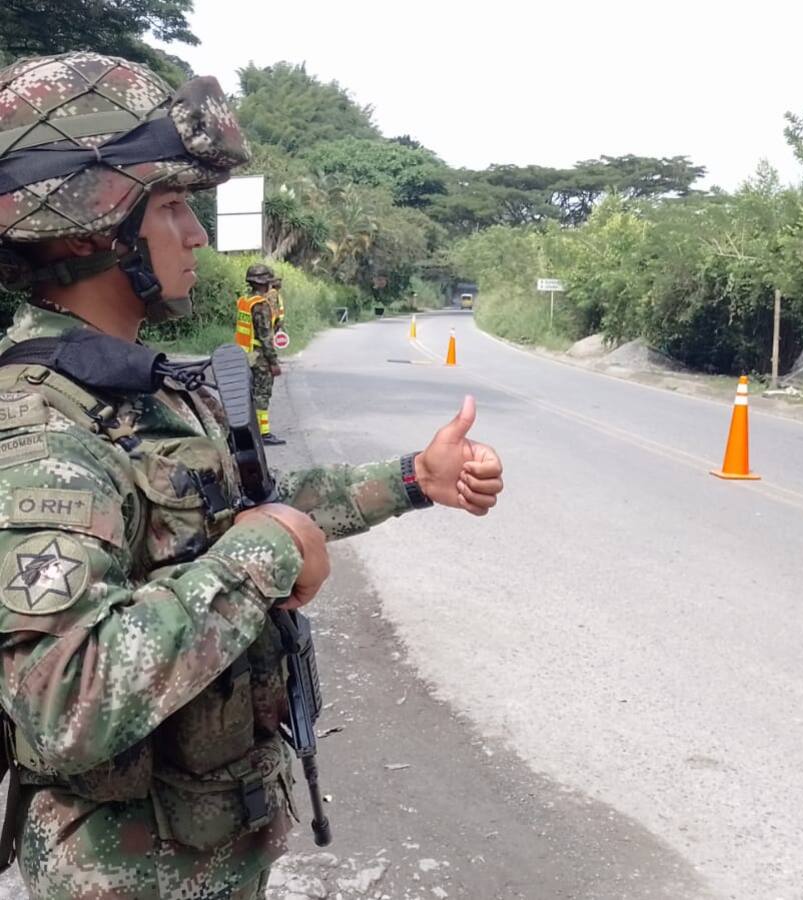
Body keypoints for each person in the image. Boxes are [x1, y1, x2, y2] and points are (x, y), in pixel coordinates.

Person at [0, 52, 504, 899]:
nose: (196, 234)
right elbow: (59, 705)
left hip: (200, 853)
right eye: (171, 206)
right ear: (89, 226)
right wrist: (264, 554)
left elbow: (238, 511)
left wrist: (417, 477)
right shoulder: (42, 429)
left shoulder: (129, 386)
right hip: (124, 877)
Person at [236, 264, 284, 445]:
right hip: (259, 357)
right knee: (262, 395)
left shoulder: (244, 301)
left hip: (245, 353)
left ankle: (248, 431)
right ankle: (263, 434)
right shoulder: (261, 305)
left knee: (249, 393)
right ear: (265, 283)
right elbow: (265, 337)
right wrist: (274, 362)